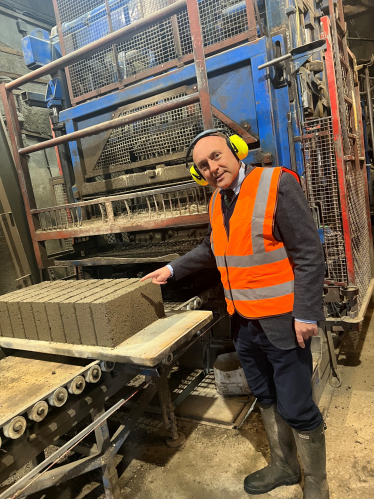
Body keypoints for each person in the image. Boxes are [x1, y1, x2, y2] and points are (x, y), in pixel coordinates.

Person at [141, 130, 328, 499]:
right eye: (203, 166)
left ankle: (317, 484)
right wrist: (172, 269)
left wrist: (307, 313)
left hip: (283, 322)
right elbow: (213, 249)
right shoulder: (217, 201)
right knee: (266, 395)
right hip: (243, 323)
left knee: (297, 404)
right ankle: (285, 467)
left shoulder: (277, 184)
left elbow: (309, 253)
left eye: (216, 156)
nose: (212, 168)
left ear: (236, 151)